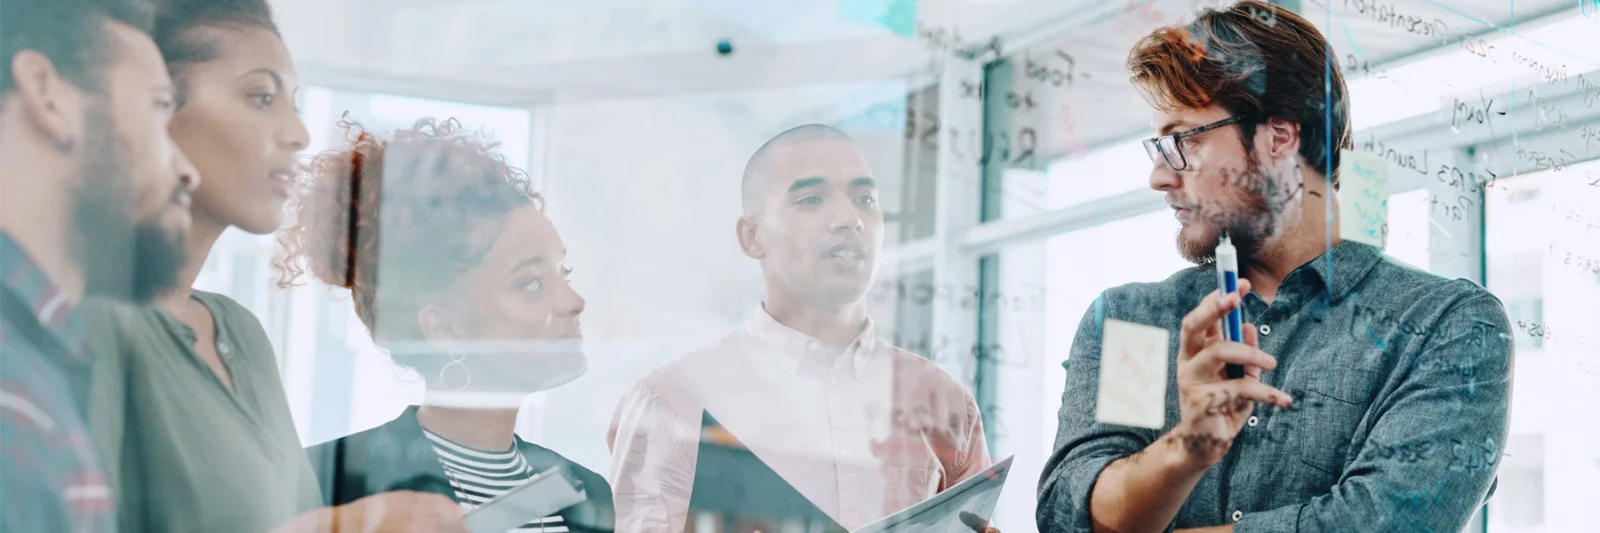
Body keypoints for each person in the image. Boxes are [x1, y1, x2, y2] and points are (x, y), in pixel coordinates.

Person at [1035, 3, 1512, 532]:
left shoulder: (1441, 325)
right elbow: (1072, 514)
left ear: (1280, 138)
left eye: (1183, 139)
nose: (1158, 177)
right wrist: (1186, 448)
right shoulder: (1137, 322)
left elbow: (1382, 523)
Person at [81, 1, 467, 532]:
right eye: (261, 96)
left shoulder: (239, 332)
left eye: (293, 102)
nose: (299, 133)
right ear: (153, 104)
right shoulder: (85, 327)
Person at [608, 124, 992, 532]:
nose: (850, 218)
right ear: (752, 237)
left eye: (866, 199)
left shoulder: (944, 403)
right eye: (811, 200)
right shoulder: (674, 401)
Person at [291, 117, 614, 533]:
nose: (574, 302)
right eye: (531, 283)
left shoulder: (589, 493)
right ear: (444, 328)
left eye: (563, 274)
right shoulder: (330, 482)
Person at [0, 0, 198, 530]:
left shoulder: (36, 362)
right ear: (47, 94)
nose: (188, 171)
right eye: (160, 108)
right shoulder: (11, 397)